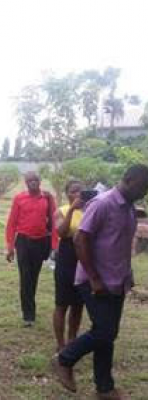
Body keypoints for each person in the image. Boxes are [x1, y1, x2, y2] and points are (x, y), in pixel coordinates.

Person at [53, 164, 148, 399]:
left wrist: (127, 275)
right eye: (144, 187)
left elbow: (120, 244)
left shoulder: (127, 208)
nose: (145, 193)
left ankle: (104, 388)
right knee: (104, 332)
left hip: (117, 281)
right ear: (131, 179)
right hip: (95, 281)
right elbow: (80, 240)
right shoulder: (102, 203)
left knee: (107, 334)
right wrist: (94, 278)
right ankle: (64, 360)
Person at [5, 171, 57, 327]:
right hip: (23, 242)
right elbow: (11, 223)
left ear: (40, 181)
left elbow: (54, 224)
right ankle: (28, 315)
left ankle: (30, 307)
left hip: (42, 242)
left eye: (35, 180)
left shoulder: (47, 197)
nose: (33, 183)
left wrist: (54, 245)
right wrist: (10, 247)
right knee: (25, 277)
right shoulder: (19, 198)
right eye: (29, 181)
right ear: (25, 183)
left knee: (33, 277)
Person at [52, 180, 84, 353]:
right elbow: (61, 232)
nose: (78, 194)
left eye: (81, 191)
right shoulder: (61, 211)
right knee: (62, 303)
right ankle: (60, 343)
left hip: (84, 260)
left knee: (79, 304)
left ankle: (72, 339)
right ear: (67, 194)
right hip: (66, 258)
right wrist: (72, 209)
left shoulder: (90, 210)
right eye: (74, 191)